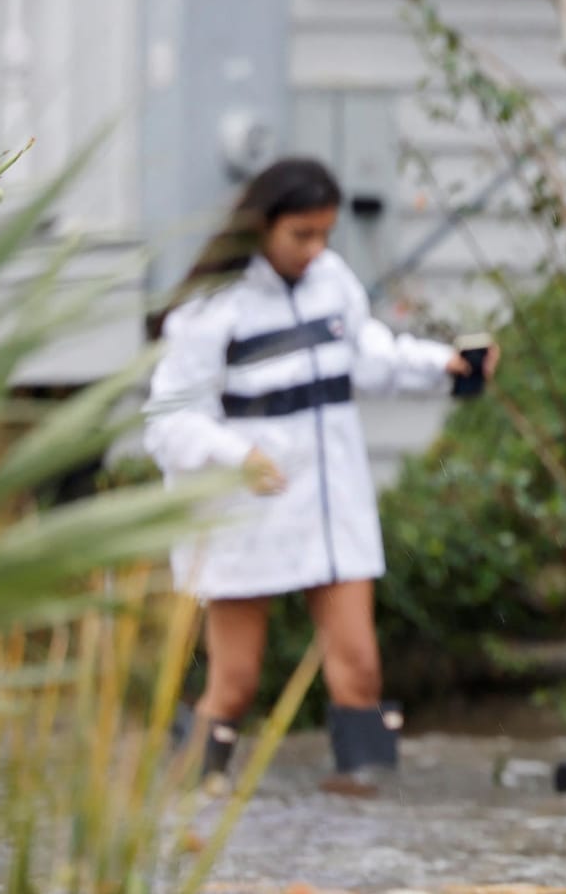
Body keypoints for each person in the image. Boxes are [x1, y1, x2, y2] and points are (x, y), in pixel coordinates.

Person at [143, 157, 498, 793]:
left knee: (360, 669)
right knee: (236, 681)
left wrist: (444, 364)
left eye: (324, 234)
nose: (315, 249)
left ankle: (361, 817)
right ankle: (187, 811)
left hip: (333, 507)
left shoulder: (331, 281)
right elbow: (168, 419)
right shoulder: (209, 310)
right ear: (263, 227)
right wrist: (235, 456)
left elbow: (367, 355)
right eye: (300, 235)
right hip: (247, 512)